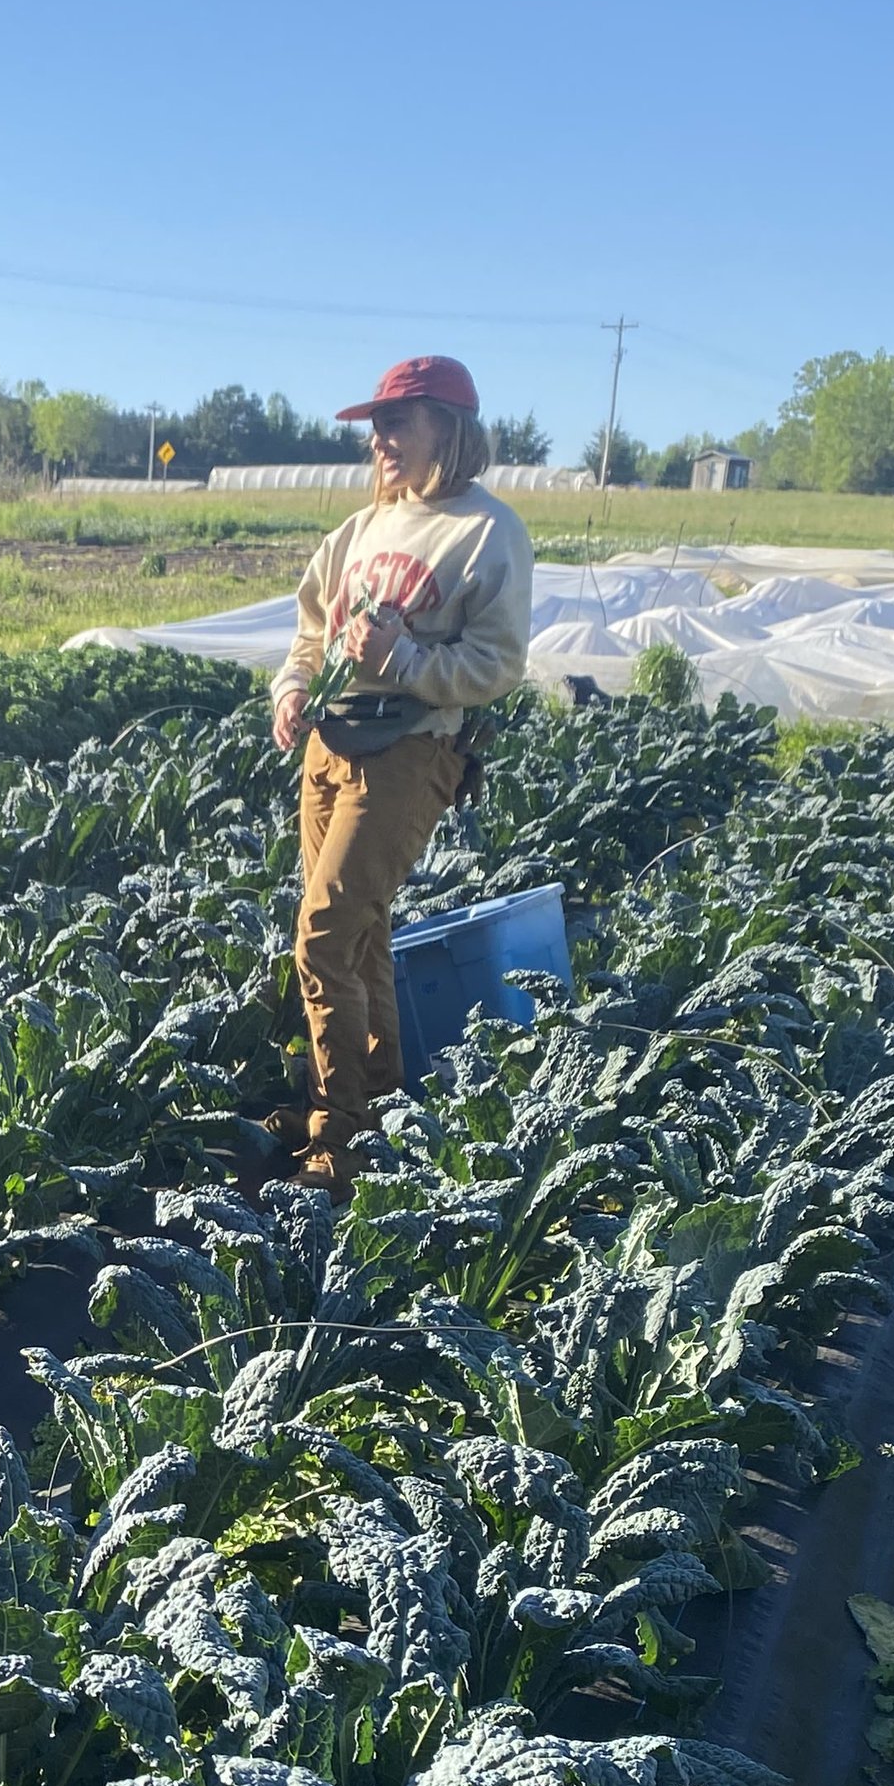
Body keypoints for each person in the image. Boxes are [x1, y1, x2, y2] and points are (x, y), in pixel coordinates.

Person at [266, 354, 533, 1194]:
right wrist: (293, 687)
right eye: (374, 425)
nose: (378, 439)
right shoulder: (361, 527)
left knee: (323, 935)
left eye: (396, 422)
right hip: (329, 747)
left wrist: (403, 657)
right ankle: (380, 1103)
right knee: (363, 931)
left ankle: (335, 1139)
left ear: (447, 430)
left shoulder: (488, 533)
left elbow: (496, 663)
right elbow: (311, 628)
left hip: (411, 749)